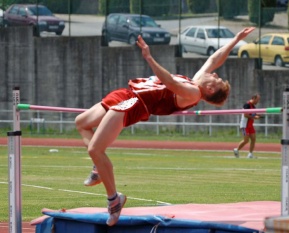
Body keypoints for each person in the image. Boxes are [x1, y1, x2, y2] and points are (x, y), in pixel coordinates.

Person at [75, 27, 255, 226]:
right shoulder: (195, 82)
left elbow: (169, 83)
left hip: (135, 104)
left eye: (216, 78)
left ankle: (114, 200)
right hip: (128, 93)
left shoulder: (193, 93)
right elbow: (215, 58)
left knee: (95, 149)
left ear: (210, 88)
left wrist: (149, 58)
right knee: (81, 123)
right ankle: (99, 167)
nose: (214, 73)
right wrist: (237, 38)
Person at [233, 94, 261, 159]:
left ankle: (250, 154)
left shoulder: (253, 107)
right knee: (246, 140)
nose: (258, 101)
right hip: (244, 125)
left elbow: (254, 114)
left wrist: (258, 115)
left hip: (250, 125)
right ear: (253, 98)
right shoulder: (247, 105)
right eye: (257, 100)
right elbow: (246, 115)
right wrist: (254, 117)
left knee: (253, 139)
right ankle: (236, 150)